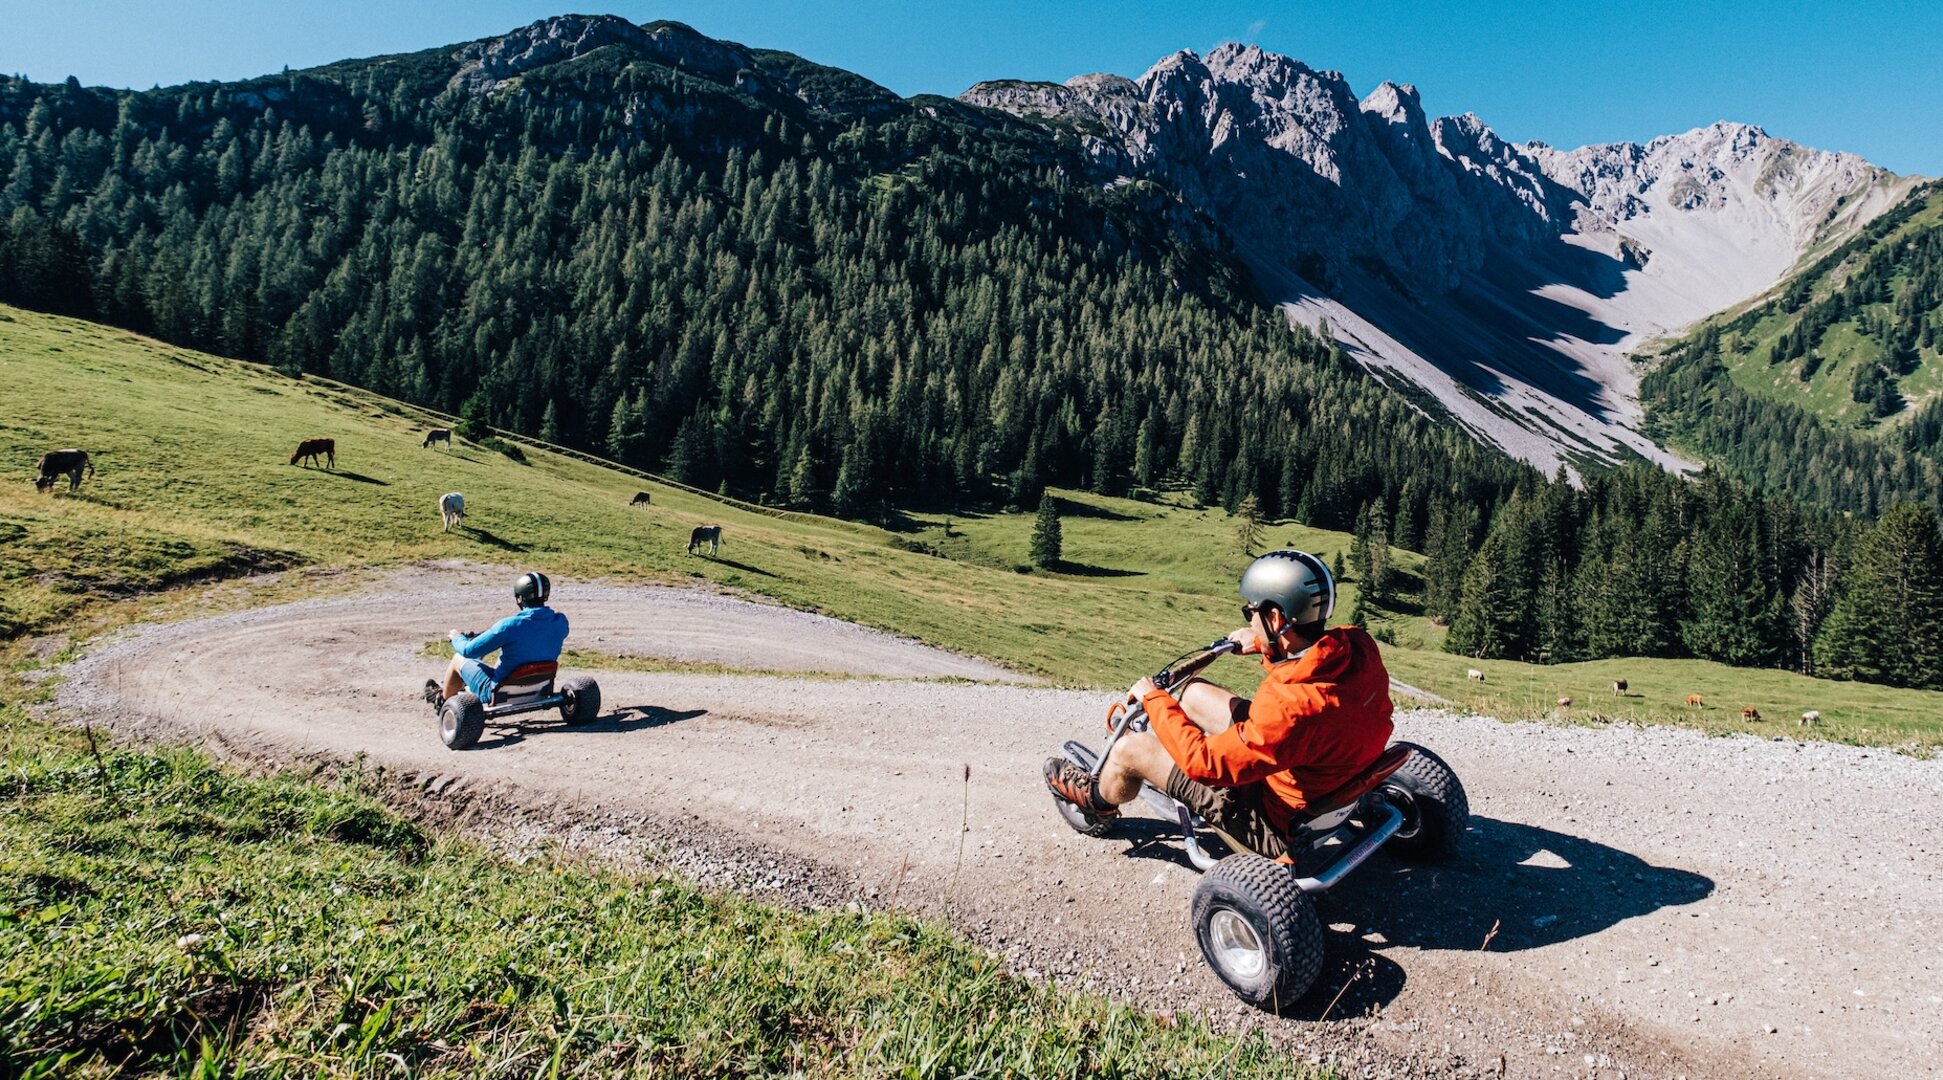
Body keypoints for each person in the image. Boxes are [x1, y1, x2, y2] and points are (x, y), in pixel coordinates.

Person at [1044, 549, 1394, 861]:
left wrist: (1154, 699)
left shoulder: (1290, 704)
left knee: (1131, 749)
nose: (1249, 619)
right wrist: (1262, 643)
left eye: (1251, 611)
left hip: (1274, 823)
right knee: (1193, 694)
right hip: (1325, 775)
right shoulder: (1357, 645)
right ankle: (1173, 754)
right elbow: (1303, 664)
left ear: (1276, 619)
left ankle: (1097, 802)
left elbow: (1206, 764)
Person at [424, 571, 571, 708]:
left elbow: (468, 651)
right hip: (540, 687)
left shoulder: (508, 626)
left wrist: (457, 637)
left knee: (459, 658)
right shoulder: (561, 622)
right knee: (506, 660)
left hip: (499, 693)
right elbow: (534, 636)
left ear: (519, 598)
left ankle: (444, 701)